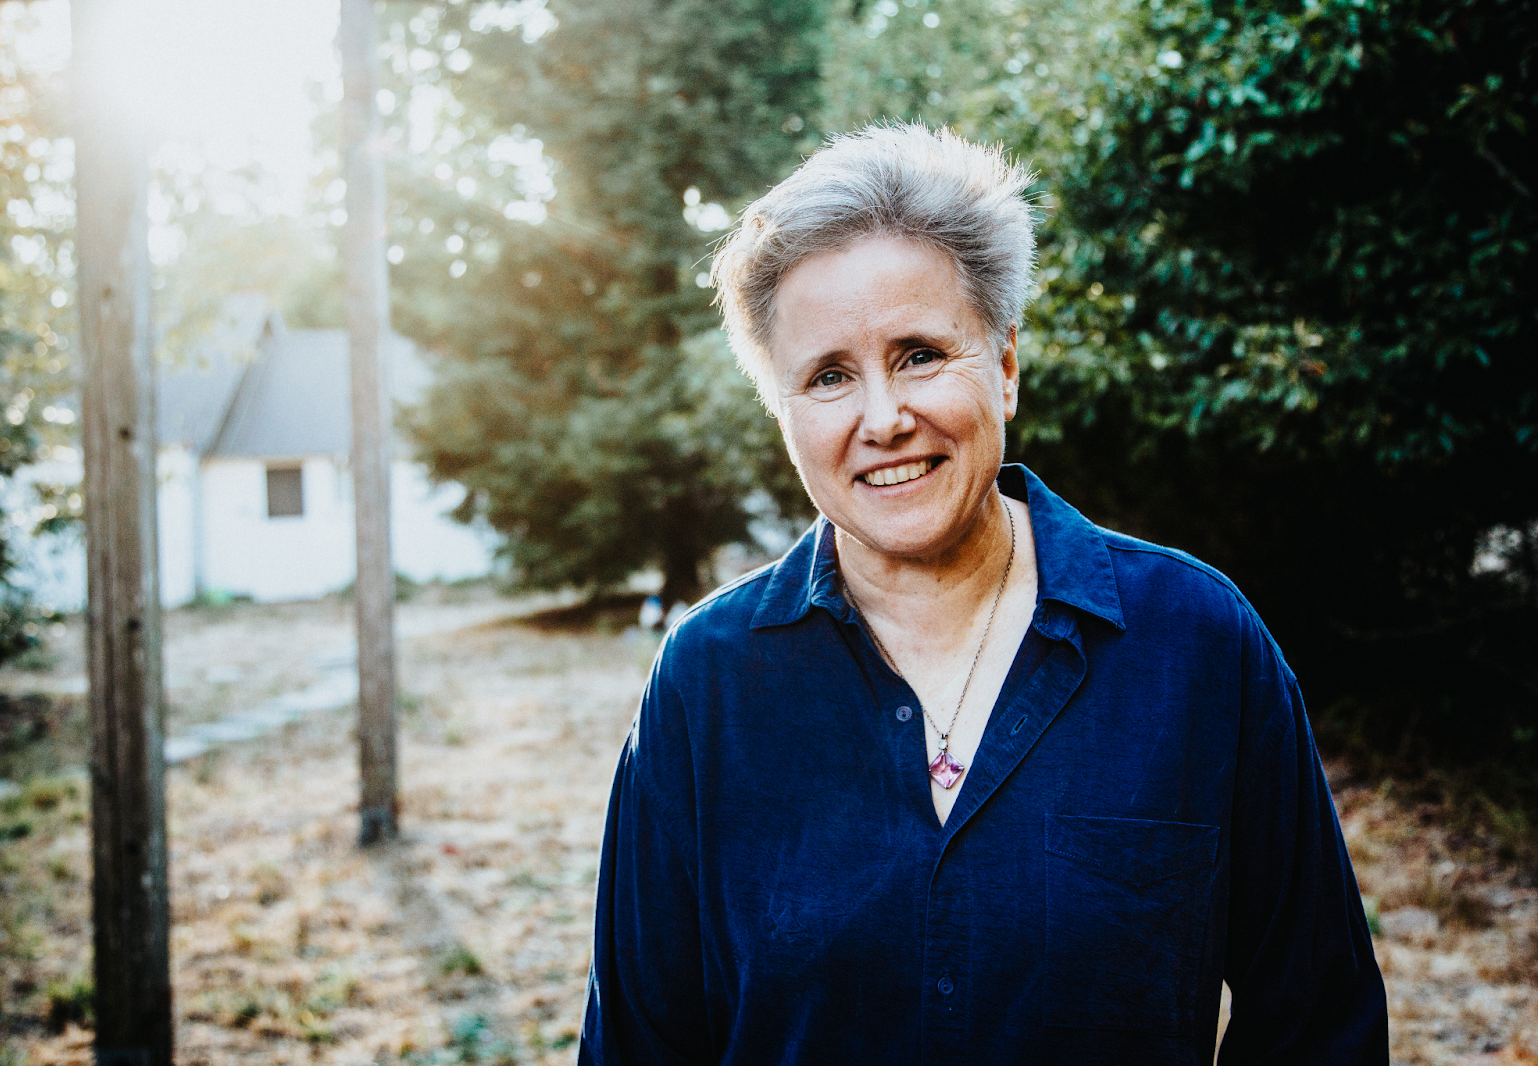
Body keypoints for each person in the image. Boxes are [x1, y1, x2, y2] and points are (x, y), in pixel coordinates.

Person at [580, 123, 1387, 1064]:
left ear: (1004, 364)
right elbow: (639, 1044)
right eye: (829, 376)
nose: (885, 418)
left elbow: (1319, 1025)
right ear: (785, 415)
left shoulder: (1197, 643)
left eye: (921, 354)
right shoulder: (707, 681)